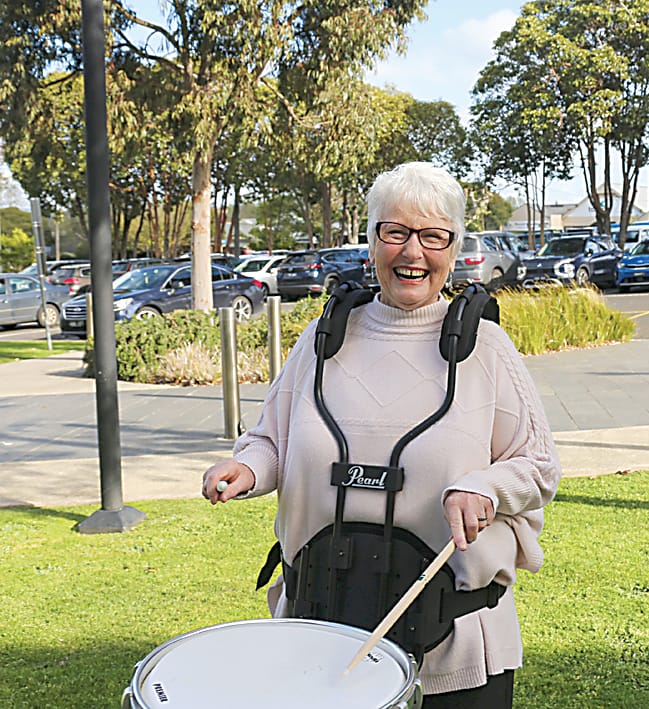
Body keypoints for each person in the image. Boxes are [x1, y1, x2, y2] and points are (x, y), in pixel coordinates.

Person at [202, 161, 561, 707]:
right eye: (395, 232)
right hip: (319, 637)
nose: (412, 252)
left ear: (454, 245)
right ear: (371, 241)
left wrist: (485, 488)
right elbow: (271, 440)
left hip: (452, 650)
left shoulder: (486, 348)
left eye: (432, 236)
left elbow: (537, 465)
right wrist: (248, 468)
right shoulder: (324, 340)